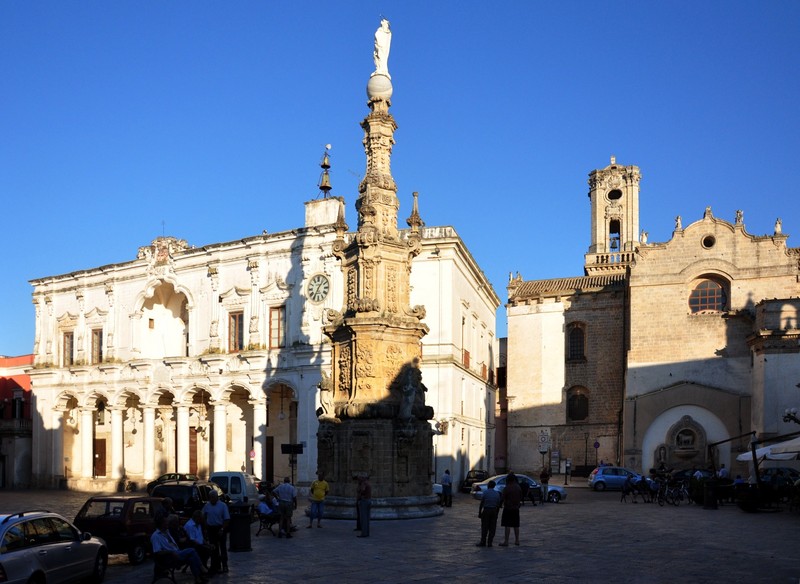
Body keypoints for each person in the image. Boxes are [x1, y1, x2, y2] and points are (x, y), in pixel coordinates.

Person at [150, 514, 208, 584]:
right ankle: (201, 567)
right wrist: (171, 552)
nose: (167, 523)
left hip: (177, 553)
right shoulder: (156, 536)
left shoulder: (167, 531)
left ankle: (198, 578)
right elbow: (157, 552)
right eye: (166, 522)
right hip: (170, 557)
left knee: (192, 558)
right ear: (161, 524)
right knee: (192, 550)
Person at [203, 490, 230, 573]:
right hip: (211, 529)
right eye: (210, 498)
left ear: (216, 497)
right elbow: (203, 516)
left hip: (220, 528)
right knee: (213, 548)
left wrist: (222, 529)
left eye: (213, 497)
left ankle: (225, 565)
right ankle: (216, 565)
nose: (212, 499)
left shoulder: (222, 505)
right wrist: (205, 527)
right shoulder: (207, 506)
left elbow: (226, 519)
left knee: (222, 547)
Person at [498, 473, 521, 546]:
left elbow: (502, 498)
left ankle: (506, 541)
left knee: (507, 524)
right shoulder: (518, 487)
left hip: (508, 508)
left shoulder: (507, 488)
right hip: (516, 508)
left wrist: (499, 505)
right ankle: (517, 540)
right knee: (516, 525)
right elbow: (521, 497)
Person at [476, 480, 500, 547]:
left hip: (486, 510)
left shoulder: (485, 492)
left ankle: (483, 541)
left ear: (488, 485)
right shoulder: (497, 494)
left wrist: (480, 512)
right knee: (492, 527)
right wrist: (497, 513)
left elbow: (482, 503)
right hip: (494, 510)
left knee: (484, 527)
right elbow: (498, 505)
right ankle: (490, 542)